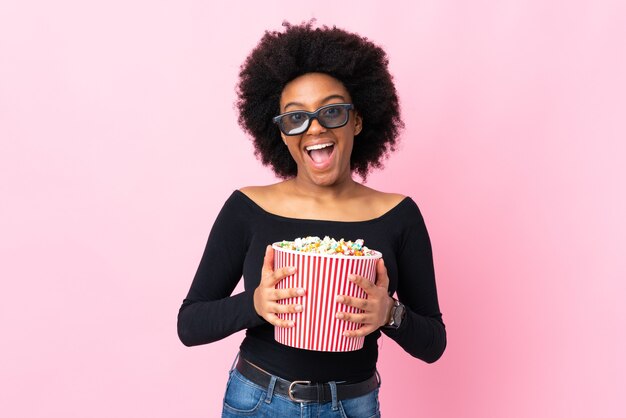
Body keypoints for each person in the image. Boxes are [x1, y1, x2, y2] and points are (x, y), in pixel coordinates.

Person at [177, 21, 446, 417]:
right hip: (257, 403)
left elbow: (433, 343)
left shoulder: (399, 215)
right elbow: (190, 324)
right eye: (295, 118)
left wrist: (389, 313)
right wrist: (256, 303)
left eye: (332, 111)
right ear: (282, 134)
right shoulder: (247, 207)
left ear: (356, 120)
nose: (315, 127)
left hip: (354, 406)